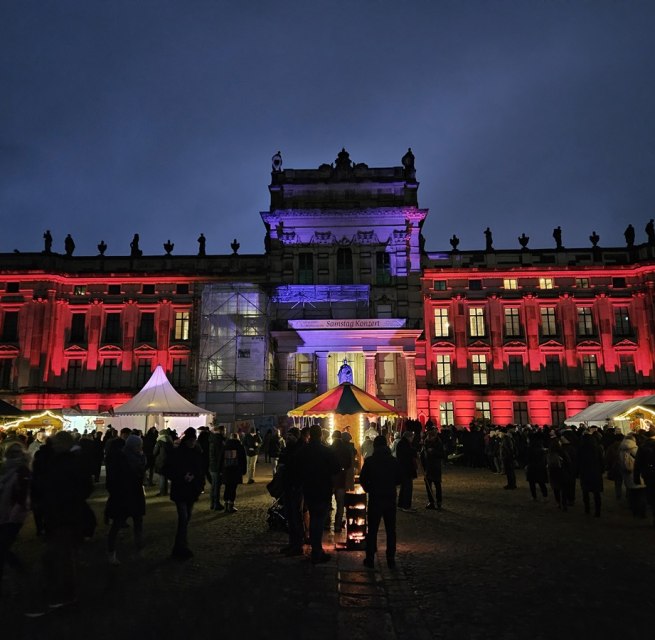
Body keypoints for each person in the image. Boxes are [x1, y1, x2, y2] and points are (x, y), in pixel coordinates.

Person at [39, 430, 94, 610]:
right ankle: (62, 591)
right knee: (62, 555)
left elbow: (81, 488)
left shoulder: (64, 463)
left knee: (61, 556)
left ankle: (66, 594)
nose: (53, 446)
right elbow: (86, 487)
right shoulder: (70, 462)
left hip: (64, 514)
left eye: (55, 443)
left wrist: (65, 499)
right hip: (66, 514)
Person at [296, 424, 340, 564]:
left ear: (310, 435)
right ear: (321, 435)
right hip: (323, 489)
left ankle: (316, 548)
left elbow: (296, 468)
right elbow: (336, 469)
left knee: (313, 517)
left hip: (309, 489)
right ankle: (317, 550)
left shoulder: (303, 451)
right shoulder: (326, 451)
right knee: (319, 520)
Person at [359, 435, 401, 569]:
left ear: (375, 446)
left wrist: (369, 489)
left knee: (372, 530)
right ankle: (390, 559)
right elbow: (399, 479)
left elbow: (363, 479)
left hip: (375, 498)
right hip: (389, 497)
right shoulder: (393, 461)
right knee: (391, 530)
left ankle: (370, 558)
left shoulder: (370, 461)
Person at [105, 435, 146, 565]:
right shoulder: (121, 459)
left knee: (138, 524)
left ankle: (139, 550)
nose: (140, 448)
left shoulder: (139, 458)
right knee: (117, 525)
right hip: (123, 496)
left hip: (135, 495)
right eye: (138, 445)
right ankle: (111, 552)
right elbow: (114, 479)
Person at [165, 427, 204, 559]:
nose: (192, 442)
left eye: (194, 440)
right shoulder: (178, 453)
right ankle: (181, 547)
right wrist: (183, 476)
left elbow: (200, 469)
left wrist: (195, 477)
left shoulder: (196, 452)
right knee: (183, 518)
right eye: (191, 440)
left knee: (186, 519)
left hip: (191, 490)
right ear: (187, 440)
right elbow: (169, 469)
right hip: (181, 490)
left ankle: (180, 546)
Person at [0, 442, 31, 600]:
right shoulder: (5, 469)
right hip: (3, 513)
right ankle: (16, 578)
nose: (14, 455)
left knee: (2, 548)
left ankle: (20, 573)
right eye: (12, 453)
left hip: (13, 516)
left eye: (17, 452)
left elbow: (23, 496)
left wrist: (14, 515)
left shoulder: (22, 471)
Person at [618, 432, 646, 518]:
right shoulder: (636, 449)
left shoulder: (621, 450)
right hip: (638, 476)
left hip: (628, 476)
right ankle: (641, 513)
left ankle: (634, 511)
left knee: (632, 495)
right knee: (641, 495)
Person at [330, 430, 353, 532]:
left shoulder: (328, 449)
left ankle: (326, 524)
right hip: (341, 480)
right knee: (340, 504)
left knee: (327, 503)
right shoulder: (346, 449)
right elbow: (348, 464)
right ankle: (338, 525)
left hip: (329, 481)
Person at [578, 429, 604, 517]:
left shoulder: (581, 447)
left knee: (585, 492)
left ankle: (587, 509)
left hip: (585, 472)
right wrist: (601, 470)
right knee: (596, 493)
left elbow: (578, 461)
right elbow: (601, 460)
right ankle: (598, 511)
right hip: (595, 471)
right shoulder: (597, 447)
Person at [219, 433, 247, 513]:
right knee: (233, 488)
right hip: (236, 471)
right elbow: (243, 460)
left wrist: (220, 470)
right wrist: (244, 471)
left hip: (226, 471)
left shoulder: (225, 446)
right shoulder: (240, 447)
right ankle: (231, 505)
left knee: (227, 487)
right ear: (237, 438)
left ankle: (226, 505)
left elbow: (220, 459)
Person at [634, 425, 655, 526]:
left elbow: (637, 463)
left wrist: (636, 477)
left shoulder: (643, 447)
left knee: (651, 495)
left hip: (648, 475)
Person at [421, 427, 445, 510]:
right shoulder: (426, 442)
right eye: (428, 436)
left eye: (430, 436)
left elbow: (442, 454)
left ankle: (439, 502)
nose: (429, 437)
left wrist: (433, 451)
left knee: (437, 485)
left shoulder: (438, 442)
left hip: (435, 466)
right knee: (428, 485)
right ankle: (431, 502)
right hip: (428, 467)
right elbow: (423, 454)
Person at [395, 430, 418, 512]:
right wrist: (414, 452)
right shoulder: (405, 445)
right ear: (408, 437)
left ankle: (401, 504)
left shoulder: (402, 444)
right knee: (407, 488)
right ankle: (406, 506)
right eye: (412, 437)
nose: (412, 439)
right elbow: (408, 454)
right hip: (406, 469)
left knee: (404, 487)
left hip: (403, 469)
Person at [208, 425, 226, 511]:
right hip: (216, 467)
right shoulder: (219, 440)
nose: (225, 432)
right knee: (217, 486)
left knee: (214, 485)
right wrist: (220, 469)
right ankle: (216, 504)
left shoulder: (212, 439)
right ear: (221, 431)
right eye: (224, 430)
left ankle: (212, 503)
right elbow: (220, 456)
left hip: (212, 466)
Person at [526, 433, 548, 502]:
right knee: (541, 482)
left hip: (532, 466)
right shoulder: (540, 447)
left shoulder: (530, 448)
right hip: (540, 466)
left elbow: (528, 458)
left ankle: (534, 496)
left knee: (532, 483)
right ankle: (545, 496)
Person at [153, 429, 173, 496]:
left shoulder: (159, 442)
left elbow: (155, 452)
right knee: (166, 476)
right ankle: (165, 491)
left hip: (161, 461)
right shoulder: (170, 441)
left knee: (162, 477)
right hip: (169, 461)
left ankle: (162, 492)